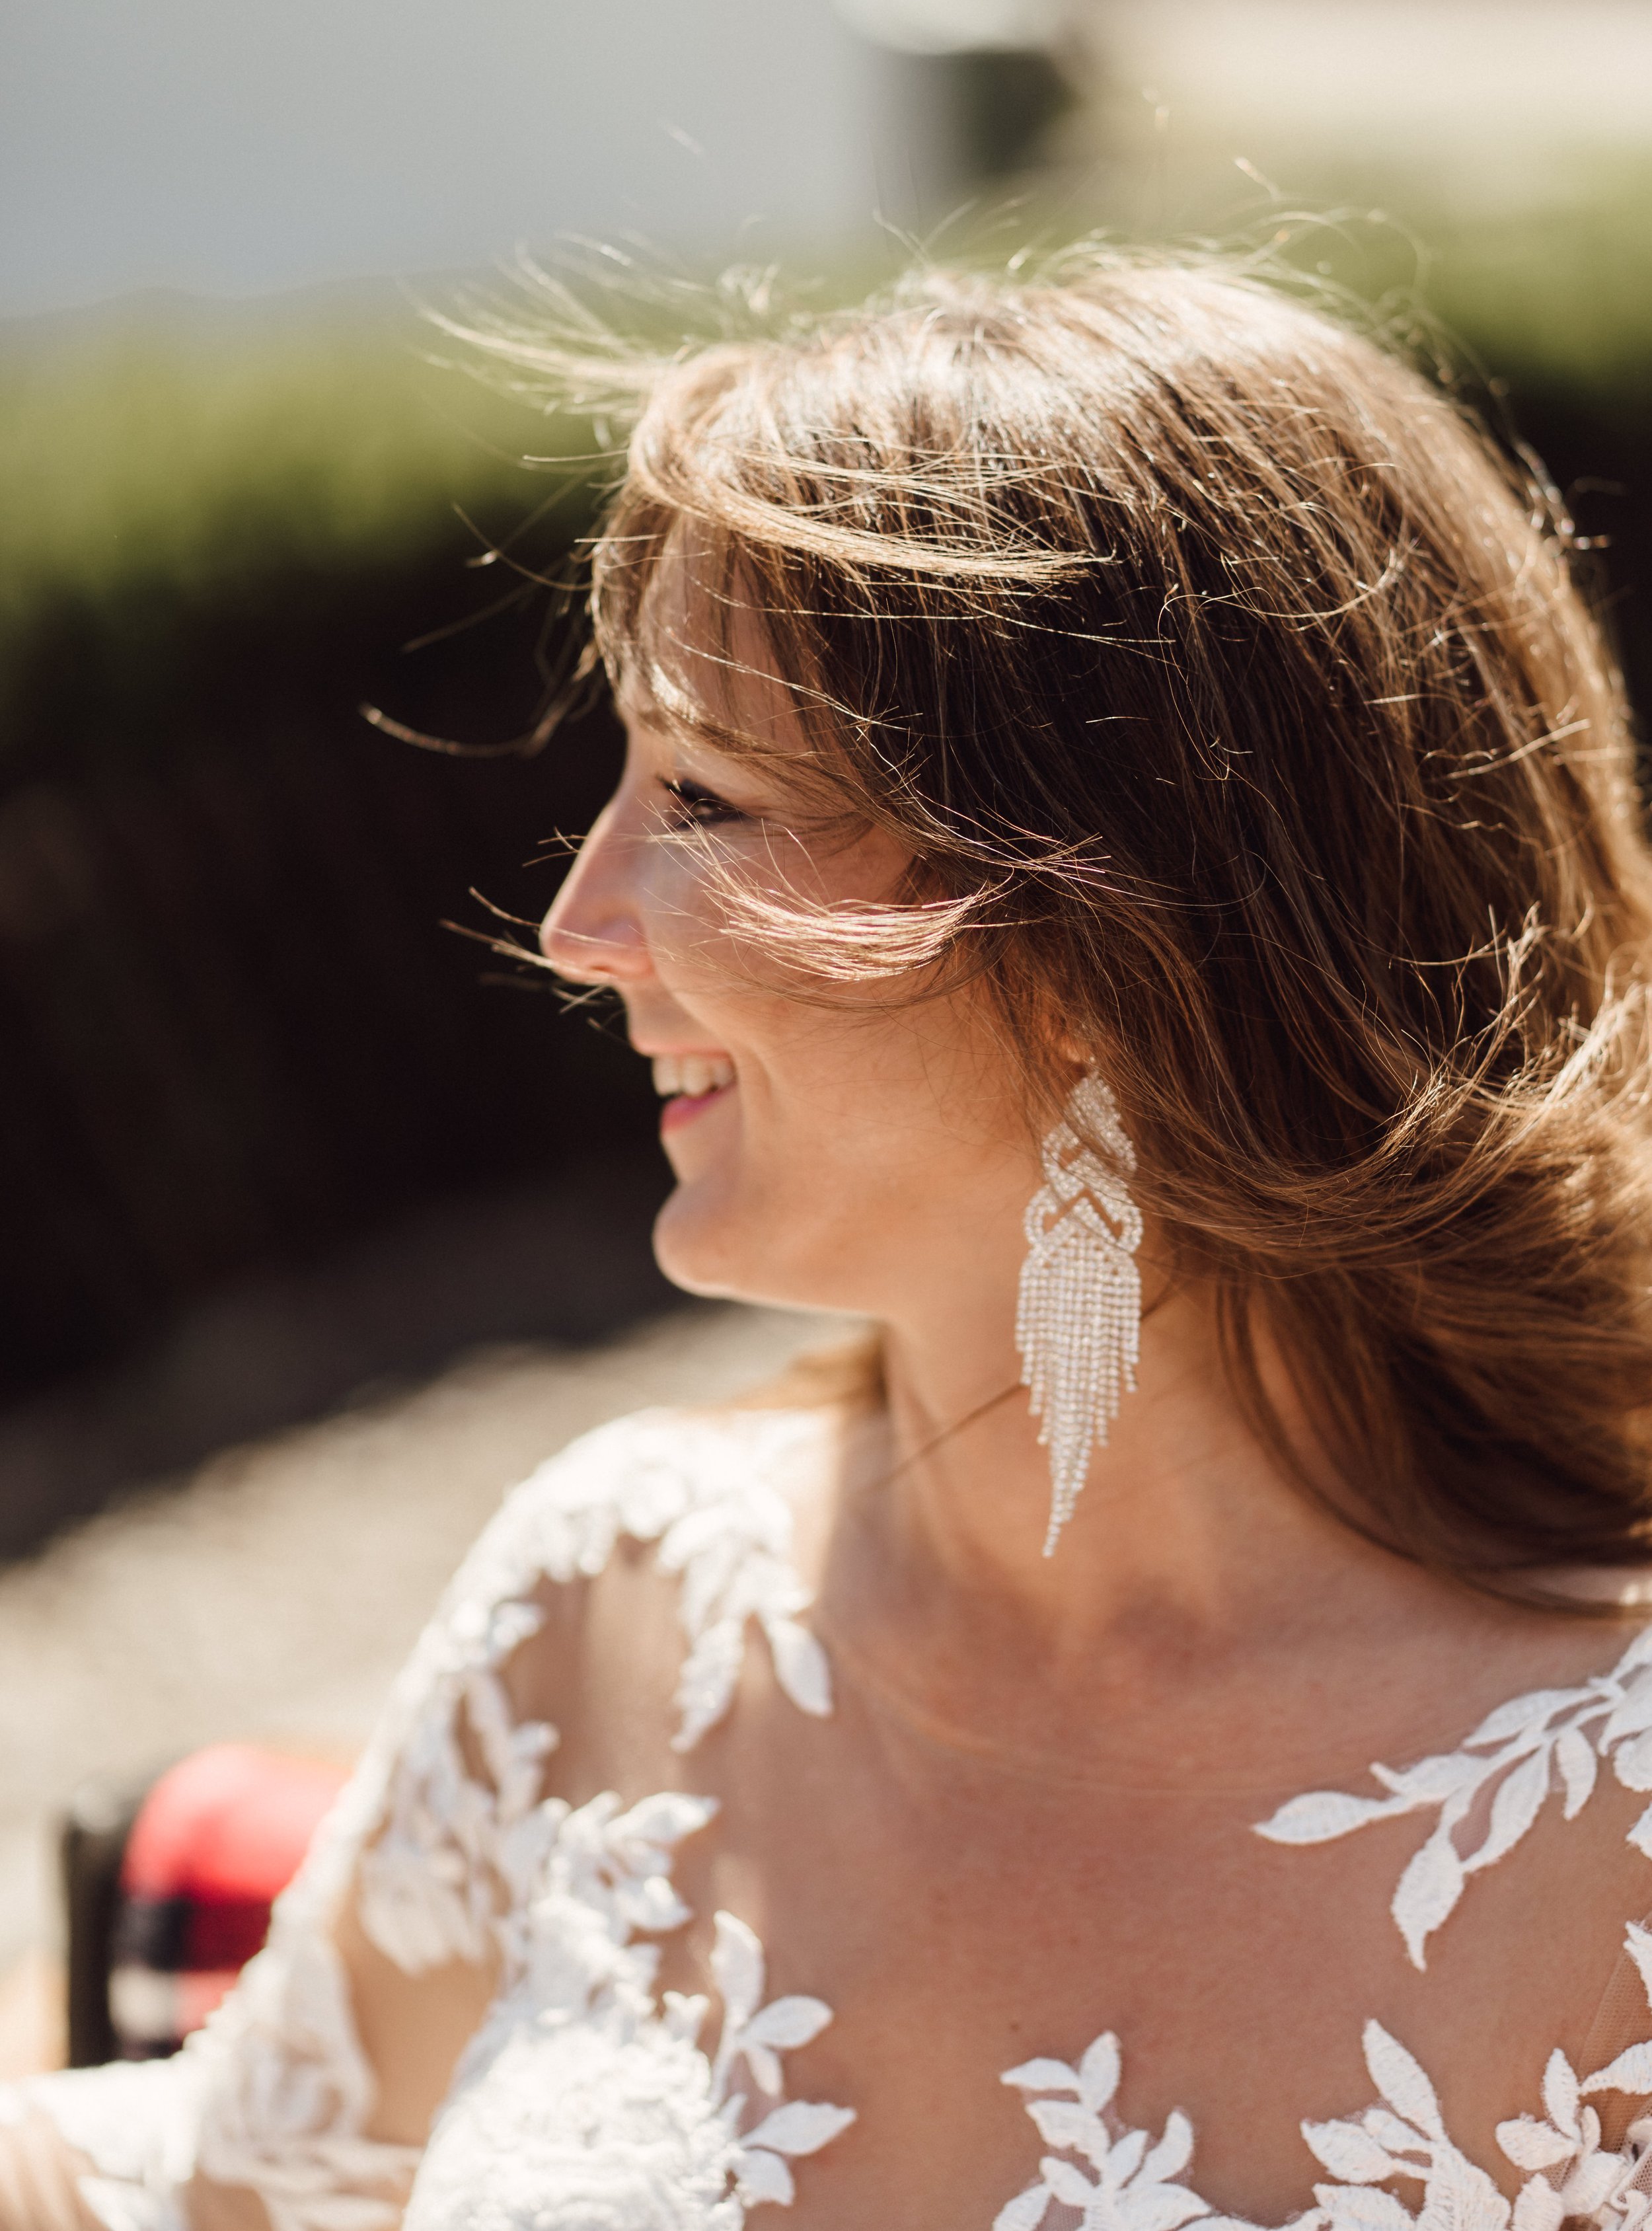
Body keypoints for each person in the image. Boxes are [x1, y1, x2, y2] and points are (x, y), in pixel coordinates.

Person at [8, 250, 1652, 2231]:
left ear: (1106, 948)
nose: (576, 923)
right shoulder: (614, 1590)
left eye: (702, 795)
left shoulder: (1610, 1800)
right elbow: (230, 2180)